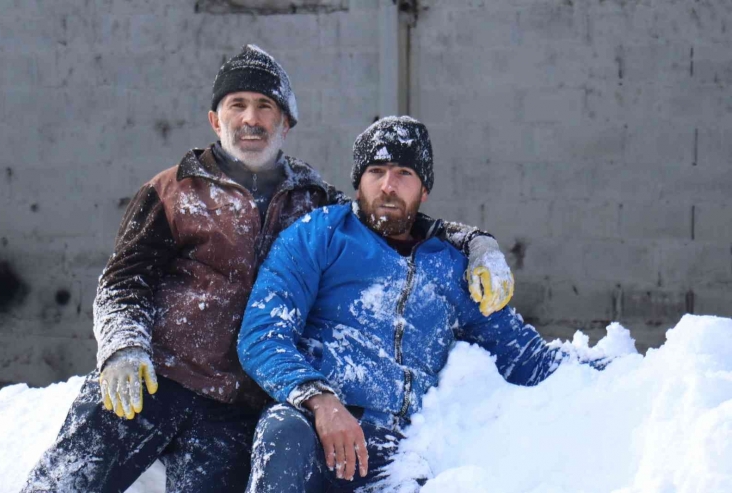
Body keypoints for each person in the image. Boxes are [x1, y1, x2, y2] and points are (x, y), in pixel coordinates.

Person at [21, 47, 513, 493]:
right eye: (237, 105)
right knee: (64, 484)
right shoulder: (174, 190)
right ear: (216, 119)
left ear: (285, 124)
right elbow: (123, 281)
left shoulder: (312, 200)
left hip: (235, 412)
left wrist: (476, 244)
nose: (251, 119)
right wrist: (123, 347)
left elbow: (388, 218)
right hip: (154, 384)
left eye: (265, 107)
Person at [238, 116, 609, 492]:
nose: (388, 186)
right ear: (358, 182)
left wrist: (635, 370)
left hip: (389, 449)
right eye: (376, 171)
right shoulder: (318, 235)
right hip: (310, 423)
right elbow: (261, 336)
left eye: (403, 173)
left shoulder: (451, 268)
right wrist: (319, 399)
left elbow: (524, 357)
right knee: (281, 432)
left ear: (424, 189)